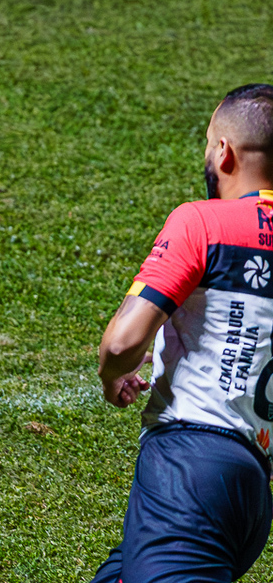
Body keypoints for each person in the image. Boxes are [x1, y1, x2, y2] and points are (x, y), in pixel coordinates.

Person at [92, 84, 273, 583]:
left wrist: (112, 374)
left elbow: (121, 344)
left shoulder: (203, 222)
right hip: (253, 487)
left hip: (191, 468)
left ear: (225, 152)